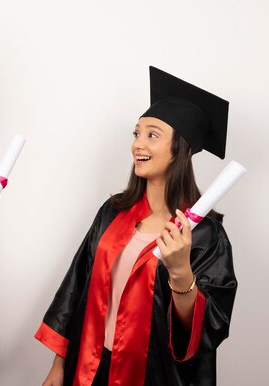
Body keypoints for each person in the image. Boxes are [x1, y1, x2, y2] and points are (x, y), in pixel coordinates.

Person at [35, 66, 237, 386]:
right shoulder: (114, 212)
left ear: (180, 149)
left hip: (153, 376)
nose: (137, 145)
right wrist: (58, 366)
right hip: (89, 367)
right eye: (137, 133)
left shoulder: (204, 237)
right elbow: (77, 287)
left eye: (152, 135)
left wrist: (181, 271)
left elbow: (207, 330)